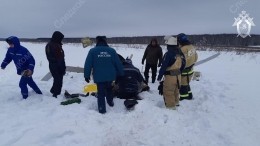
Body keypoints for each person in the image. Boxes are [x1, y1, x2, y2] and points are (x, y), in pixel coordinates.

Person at [84, 36, 124, 114]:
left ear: (97, 41)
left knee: (101, 93)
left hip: (99, 77)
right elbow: (118, 63)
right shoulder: (111, 51)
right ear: (105, 41)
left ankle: (102, 110)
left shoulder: (92, 51)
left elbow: (88, 64)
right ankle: (110, 103)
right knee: (109, 89)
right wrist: (121, 73)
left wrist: (86, 75)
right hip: (110, 76)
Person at [157, 36, 185, 110]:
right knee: (176, 90)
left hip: (170, 76)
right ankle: (176, 103)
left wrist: (160, 76)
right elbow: (184, 63)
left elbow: (164, 66)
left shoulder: (168, 54)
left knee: (168, 91)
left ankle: (171, 107)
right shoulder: (180, 52)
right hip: (178, 76)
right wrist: (179, 71)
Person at [177, 33, 198, 100]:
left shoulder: (182, 49)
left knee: (183, 85)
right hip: (190, 70)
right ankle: (190, 95)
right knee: (187, 84)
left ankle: (184, 98)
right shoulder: (192, 47)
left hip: (184, 71)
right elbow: (196, 57)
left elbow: (179, 60)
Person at [45, 31, 66, 98]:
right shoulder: (54, 46)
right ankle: (55, 94)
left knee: (57, 79)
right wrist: (62, 68)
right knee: (58, 80)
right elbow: (59, 59)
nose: (61, 40)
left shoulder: (51, 44)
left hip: (53, 65)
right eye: (60, 38)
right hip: (56, 66)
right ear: (57, 38)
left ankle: (54, 91)